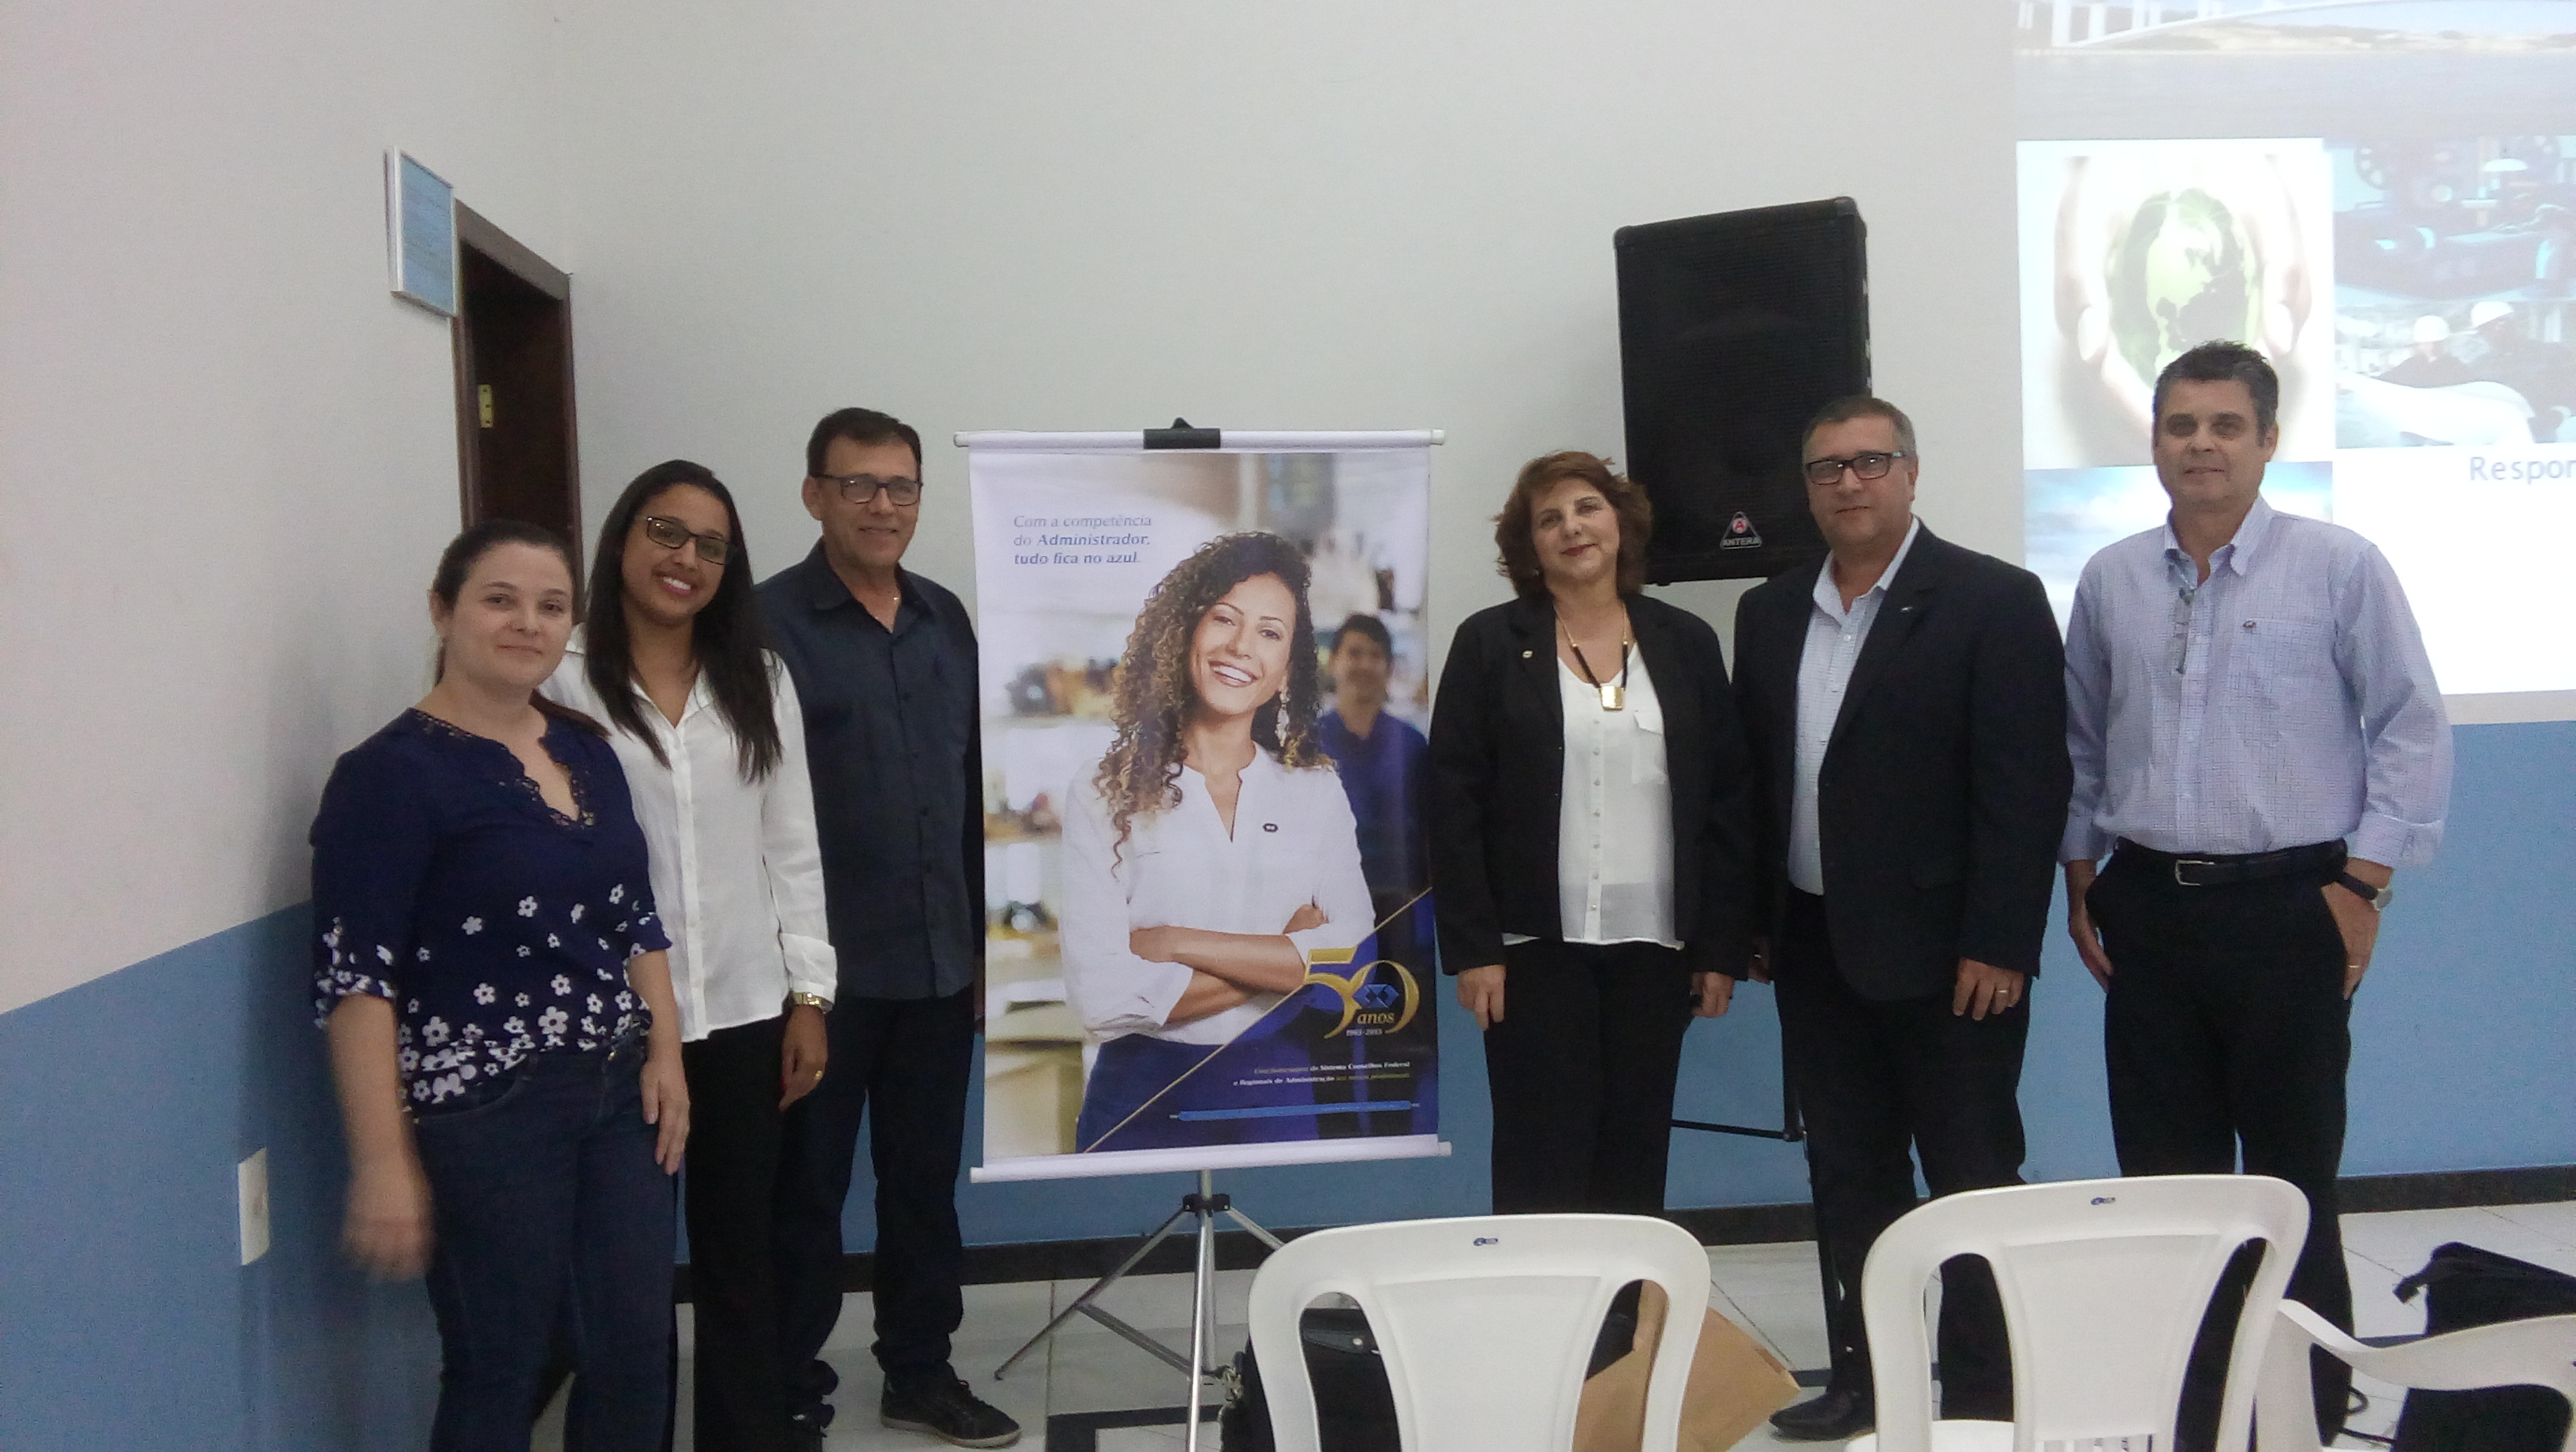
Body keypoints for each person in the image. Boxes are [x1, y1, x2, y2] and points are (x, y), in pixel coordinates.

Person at [2063, 341, 2451, 1448]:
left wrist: (2362, 885)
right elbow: (2084, 743)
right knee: (2168, 1185)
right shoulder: (2112, 580)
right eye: (2182, 425)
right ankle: (2192, 1412)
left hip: (2292, 908)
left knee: (2291, 1178)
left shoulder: (2339, 566)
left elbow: (2411, 726)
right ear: (2153, 441)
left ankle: (2305, 1412)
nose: (2202, 445)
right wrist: (2083, 875)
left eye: (2226, 426)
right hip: (2148, 907)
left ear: (2268, 441)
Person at [1732, 398, 2071, 1441]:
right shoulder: (1771, 609)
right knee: (1845, 1170)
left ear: (1911, 474)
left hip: (1952, 957)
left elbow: (2025, 788)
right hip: (1816, 944)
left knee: (1970, 1168)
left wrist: (2003, 942)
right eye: (1826, 468)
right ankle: (1866, 1384)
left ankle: (1981, 1391)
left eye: (1870, 462)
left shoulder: (1993, 600)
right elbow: (1756, 782)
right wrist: (1751, 921)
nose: (1848, 483)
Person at [312, 518, 688, 1451]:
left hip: (618, 1091)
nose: (528, 622)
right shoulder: (388, 776)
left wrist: (667, 1047)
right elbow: (357, 981)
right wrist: (382, 1160)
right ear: (443, 611)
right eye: (500, 599)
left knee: (637, 1350)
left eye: (552, 606)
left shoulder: (586, 751)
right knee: (501, 1363)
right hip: (486, 1113)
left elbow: (634, 914)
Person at [544, 461, 833, 1452]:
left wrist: (810, 996)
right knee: (623, 1283)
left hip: (748, 1010)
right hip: (619, 1026)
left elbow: (791, 846)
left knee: (741, 1261)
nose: (687, 560)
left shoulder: (760, 678)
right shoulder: (562, 675)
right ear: (624, 537)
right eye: (668, 532)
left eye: (712, 546)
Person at [758, 410, 1017, 1449]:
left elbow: (975, 796)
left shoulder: (946, 619)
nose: (882, 505)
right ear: (814, 494)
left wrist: (995, 948)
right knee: (804, 1193)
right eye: (858, 485)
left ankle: (920, 1370)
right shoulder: (764, 624)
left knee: (921, 1190)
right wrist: (793, 981)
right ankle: (783, 1385)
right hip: (816, 979)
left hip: (940, 964)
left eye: (900, 487)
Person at [1428, 451, 1752, 1215]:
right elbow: (1453, 803)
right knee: (1543, 1148)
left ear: (1621, 522)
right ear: (1529, 546)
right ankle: (1545, 1325)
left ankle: (1630, 1326)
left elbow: (1729, 802)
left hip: (1655, 948)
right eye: (1550, 518)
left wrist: (1719, 947)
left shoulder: (1687, 642)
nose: (1572, 527)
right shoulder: (1489, 644)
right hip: (1532, 948)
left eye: (1586, 508)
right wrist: (1476, 948)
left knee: (1634, 1145)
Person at [1058, 533, 1376, 1151]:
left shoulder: (1313, 788)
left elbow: (1355, 963)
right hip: (1138, 1101)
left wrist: (1176, 944)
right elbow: (1100, 999)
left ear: (1288, 666)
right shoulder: (1103, 790)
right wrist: (1288, 957)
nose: (1240, 647)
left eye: (1269, 632)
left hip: (1276, 1091)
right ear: (1185, 632)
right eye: (1223, 619)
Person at [1316, 613, 1432, 967]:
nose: (1365, 665)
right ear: (1333, 661)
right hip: (1327, 911)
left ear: (1388, 667)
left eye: (1375, 655)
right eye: (1354, 653)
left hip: (1401, 911)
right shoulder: (1305, 745)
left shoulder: (1411, 745)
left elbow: (1430, 833)